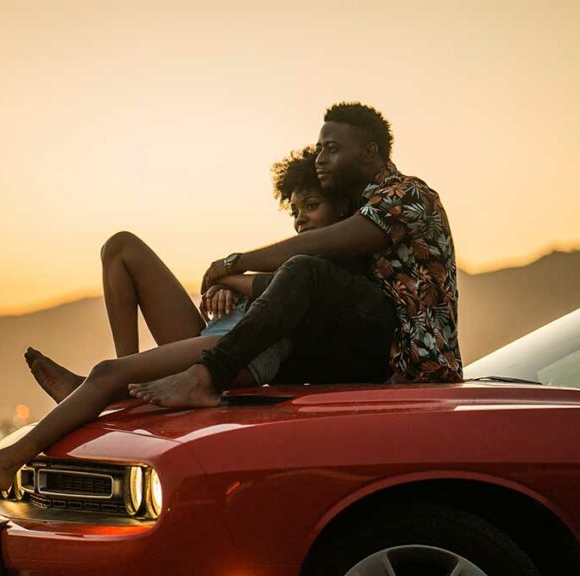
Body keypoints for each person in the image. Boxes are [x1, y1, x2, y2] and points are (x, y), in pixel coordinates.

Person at [0, 148, 355, 490]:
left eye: (312, 207)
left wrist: (234, 279)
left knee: (107, 372)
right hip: (213, 334)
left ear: (340, 212)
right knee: (120, 248)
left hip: (240, 353)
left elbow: (293, 291)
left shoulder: (334, 263)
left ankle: (11, 458)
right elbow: (263, 285)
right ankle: (113, 389)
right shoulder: (287, 260)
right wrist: (229, 288)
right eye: (295, 210)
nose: (300, 219)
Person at [129, 102, 462, 408]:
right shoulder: (353, 206)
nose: (320, 158)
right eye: (318, 150)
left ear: (368, 152)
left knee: (305, 269)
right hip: (363, 354)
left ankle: (206, 375)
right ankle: (152, 381)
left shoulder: (407, 194)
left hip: (419, 363)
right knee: (290, 314)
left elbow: (315, 247)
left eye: (331, 149)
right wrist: (235, 284)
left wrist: (237, 263)